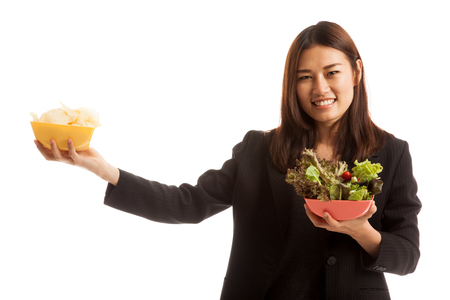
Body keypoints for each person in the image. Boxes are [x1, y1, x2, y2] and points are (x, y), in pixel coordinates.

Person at [35, 21, 421, 299]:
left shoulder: (392, 153)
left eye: (331, 72)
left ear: (355, 73)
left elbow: (407, 255)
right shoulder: (259, 149)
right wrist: (102, 168)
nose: (320, 88)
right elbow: (188, 204)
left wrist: (360, 230)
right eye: (305, 77)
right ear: (292, 84)